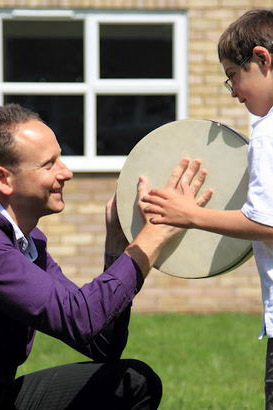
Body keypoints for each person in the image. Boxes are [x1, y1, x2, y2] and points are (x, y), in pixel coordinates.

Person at [0, 103, 212, 409]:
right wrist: (152, 237)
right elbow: (79, 318)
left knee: (131, 383)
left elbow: (100, 343)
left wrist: (117, 249)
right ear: (5, 179)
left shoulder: (30, 245)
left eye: (61, 158)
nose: (67, 172)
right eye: (49, 165)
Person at [141, 8, 273, 410]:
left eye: (234, 75)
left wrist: (189, 214)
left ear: (263, 59)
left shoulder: (267, 132)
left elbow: (267, 223)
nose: (233, 91)